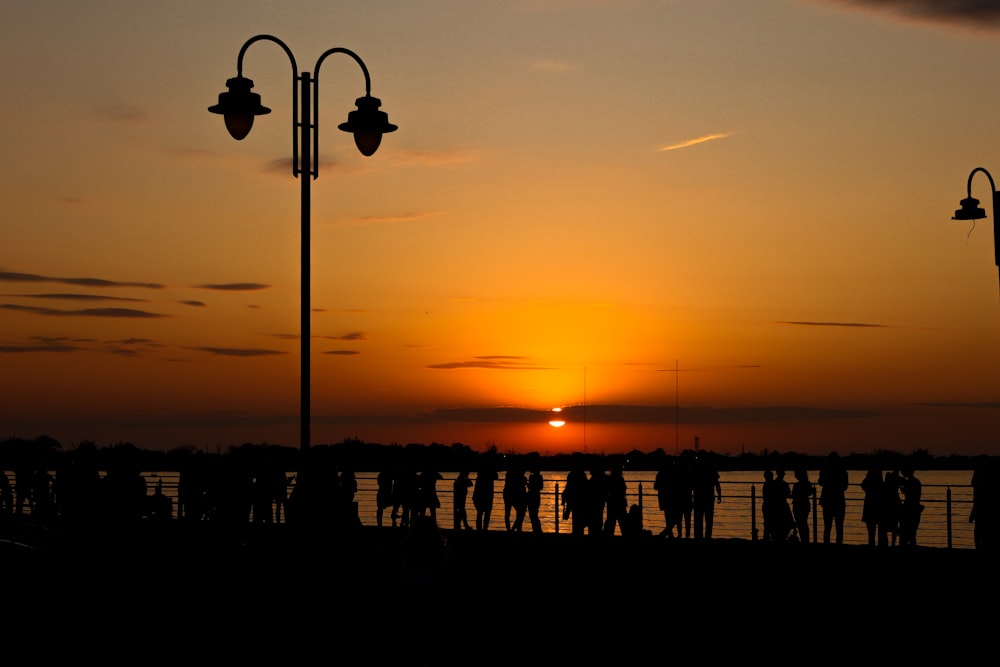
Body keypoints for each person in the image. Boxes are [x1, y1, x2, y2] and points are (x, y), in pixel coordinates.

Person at [818, 451, 849, 544]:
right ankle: (838, 545)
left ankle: (827, 545)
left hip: (827, 501)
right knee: (839, 527)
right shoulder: (843, 472)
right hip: (839, 501)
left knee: (827, 526)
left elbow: (820, 482)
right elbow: (845, 487)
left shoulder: (824, 471)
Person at [691, 450, 722, 539]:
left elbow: (691, 483)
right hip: (708, 497)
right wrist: (719, 494)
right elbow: (716, 483)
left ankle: (698, 536)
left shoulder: (695, 469)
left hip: (698, 497)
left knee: (698, 519)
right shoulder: (711, 468)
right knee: (709, 519)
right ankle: (707, 536)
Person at [898, 463, 923, 548]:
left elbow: (908, 493)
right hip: (915, 508)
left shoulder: (909, 482)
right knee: (912, 532)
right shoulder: (916, 482)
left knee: (905, 532)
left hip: (909, 508)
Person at [562, 462, 589, 536]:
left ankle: (576, 532)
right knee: (580, 517)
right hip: (581, 500)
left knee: (576, 517)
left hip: (574, 499)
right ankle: (579, 532)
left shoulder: (571, 475)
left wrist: (565, 497)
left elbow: (568, 487)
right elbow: (586, 486)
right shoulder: (582, 475)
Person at [472, 457, 499, 531]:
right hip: (487, 495)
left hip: (480, 494)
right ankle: (484, 528)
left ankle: (479, 529)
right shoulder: (490, 473)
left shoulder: (480, 474)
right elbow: (496, 477)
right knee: (486, 513)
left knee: (480, 513)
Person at [860, 467, 883, 547]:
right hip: (878, 506)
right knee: (880, 530)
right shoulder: (880, 483)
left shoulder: (867, 482)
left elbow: (862, 485)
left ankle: (871, 545)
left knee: (870, 530)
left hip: (869, 506)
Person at [604, 462, 628, 536]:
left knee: (611, 522)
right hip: (620, 502)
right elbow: (623, 491)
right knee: (623, 522)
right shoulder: (620, 479)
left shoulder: (609, 479)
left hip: (611, 502)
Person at [791, 467, 814, 544]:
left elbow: (793, 495)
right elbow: (810, 493)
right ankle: (805, 540)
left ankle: (804, 539)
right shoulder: (808, 484)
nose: (795, 476)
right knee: (803, 523)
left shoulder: (796, 485)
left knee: (801, 523)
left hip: (798, 505)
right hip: (805, 504)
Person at [502, 463, 528, 532]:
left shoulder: (510, 474)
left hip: (508, 494)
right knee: (520, 512)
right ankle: (515, 528)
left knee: (508, 512)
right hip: (514, 495)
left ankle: (510, 528)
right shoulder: (519, 476)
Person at [526, 466, 544, 533]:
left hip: (531, 495)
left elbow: (530, 486)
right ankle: (537, 529)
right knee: (535, 513)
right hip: (536, 495)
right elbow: (541, 487)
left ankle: (536, 529)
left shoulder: (531, 477)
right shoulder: (540, 477)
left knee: (532, 514)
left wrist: (528, 484)